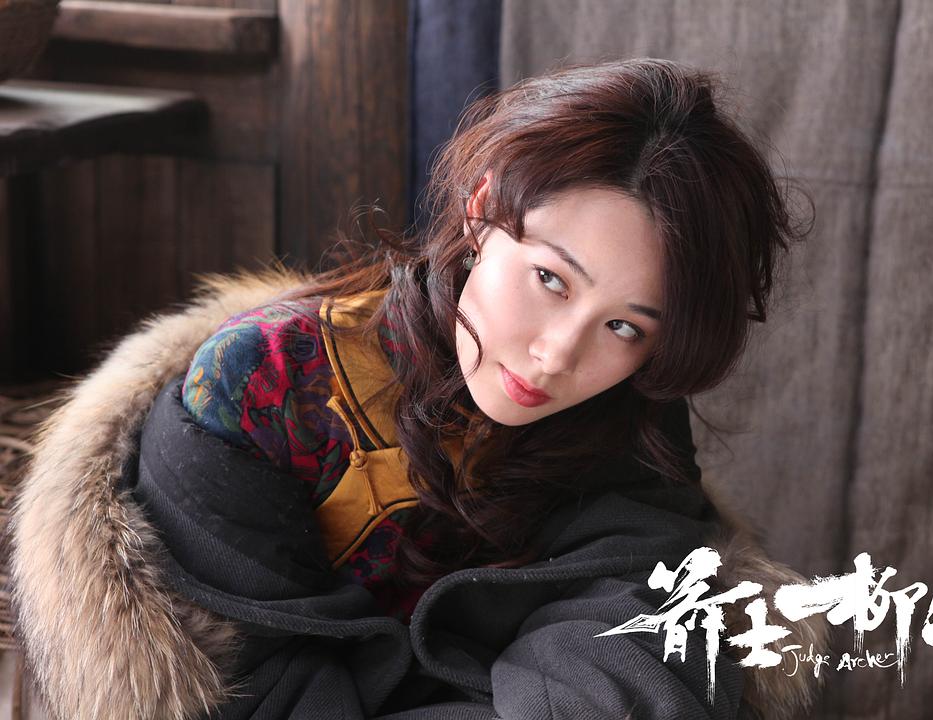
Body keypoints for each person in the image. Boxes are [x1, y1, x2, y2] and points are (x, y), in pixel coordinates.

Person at [9, 59, 825, 720]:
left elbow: (634, 636)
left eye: (623, 326)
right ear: (481, 210)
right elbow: (255, 689)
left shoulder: (625, 411)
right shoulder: (259, 388)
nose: (555, 356)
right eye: (550, 279)